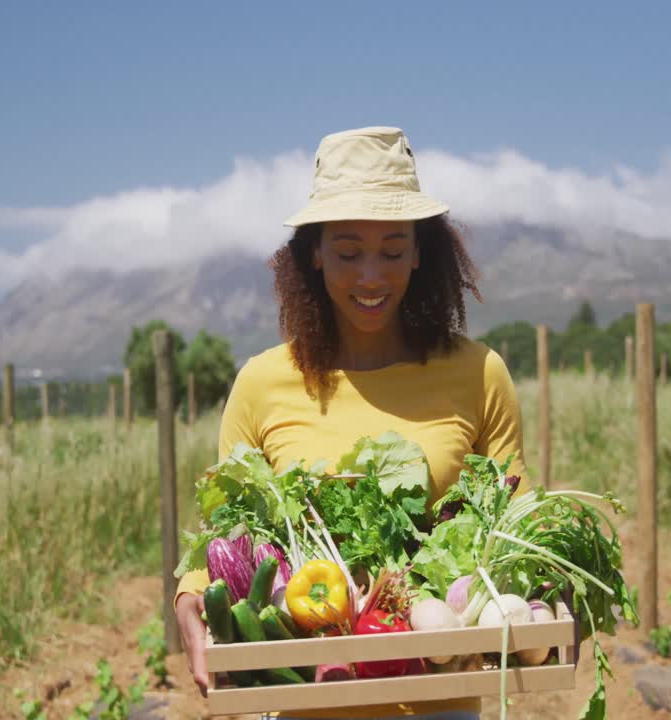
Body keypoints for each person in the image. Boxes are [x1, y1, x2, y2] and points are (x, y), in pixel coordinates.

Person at [173, 126, 527, 720]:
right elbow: (227, 531)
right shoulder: (262, 384)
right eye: (347, 252)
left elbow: (512, 516)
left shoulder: (479, 373)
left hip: (438, 702)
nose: (371, 276)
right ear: (313, 253)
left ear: (420, 252)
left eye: (392, 251)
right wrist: (190, 595)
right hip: (300, 698)